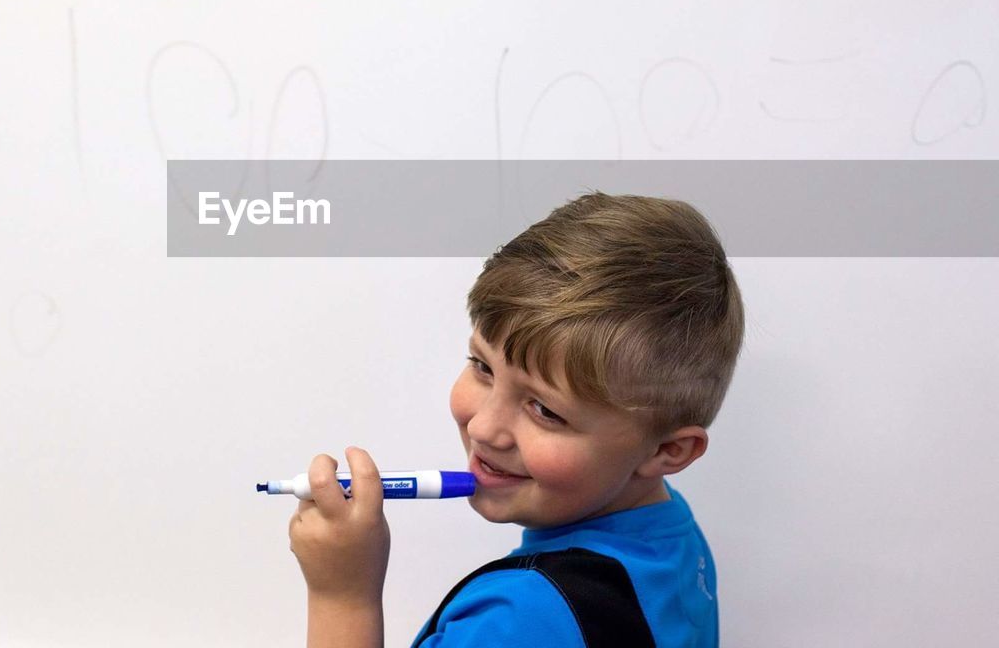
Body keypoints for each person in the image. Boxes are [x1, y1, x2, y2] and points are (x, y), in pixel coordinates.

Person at [287, 192, 746, 647]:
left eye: (545, 410)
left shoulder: (516, 622)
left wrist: (342, 597)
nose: (484, 428)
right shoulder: (668, 531)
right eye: (483, 367)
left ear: (667, 451)